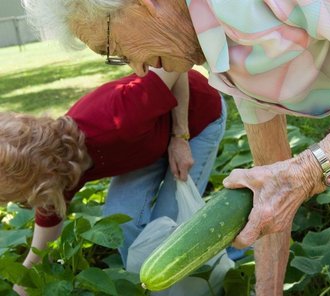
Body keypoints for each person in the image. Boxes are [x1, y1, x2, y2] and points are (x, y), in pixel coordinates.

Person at [23, 0, 330, 295]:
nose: (134, 66)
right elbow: (269, 180)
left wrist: (309, 170)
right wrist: (267, 290)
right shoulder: (217, 55)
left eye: (111, 46)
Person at [0, 67, 226, 276]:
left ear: (38, 178)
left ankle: (215, 266)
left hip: (195, 118)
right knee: (121, 219)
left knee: (171, 224)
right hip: (146, 142)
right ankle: (145, 283)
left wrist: (179, 136)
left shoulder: (118, 118)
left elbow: (174, 63)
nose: (25, 201)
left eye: (21, 194)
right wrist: (23, 284)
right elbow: (42, 242)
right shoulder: (61, 165)